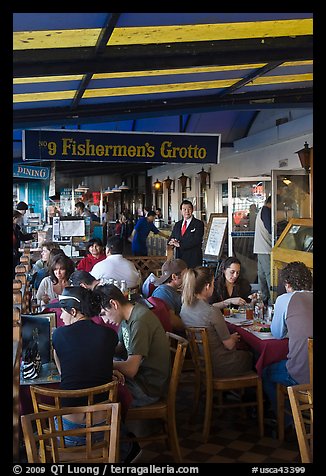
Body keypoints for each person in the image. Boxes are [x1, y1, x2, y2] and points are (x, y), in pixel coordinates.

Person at [49, 286, 137, 463]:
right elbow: (97, 361)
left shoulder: (58, 335)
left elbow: (63, 373)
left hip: (68, 435)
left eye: (63, 312)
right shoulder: (109, 335)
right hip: (104, 430)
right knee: (126, 434)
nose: (61, 316)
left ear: (73, 311)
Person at [94, 284, 171, 408]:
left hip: (148, 388)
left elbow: (131, 369)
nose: (105, 320)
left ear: (114, 304)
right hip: (141, 378)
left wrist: (103, 364)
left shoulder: (139, 321)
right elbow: (119, 347)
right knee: (100, 380)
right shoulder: (128, 315)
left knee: (100, 391)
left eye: (104, 313)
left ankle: (111, 425)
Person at [262, 261, 313, 428]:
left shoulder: (285, 299)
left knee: (265, 371)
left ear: (287, 283)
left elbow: (277, 333)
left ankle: (289, 421)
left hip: (301, 377)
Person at [180, 266, 253, 378]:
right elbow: (229, 345)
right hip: (221, 365)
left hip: (201, 362)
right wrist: (233, 337)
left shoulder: (185, 307)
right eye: (213, 284)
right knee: (254, 356)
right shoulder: (212, 312)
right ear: (207, 286)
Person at [151, 259, 187, 332]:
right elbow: (172, 320)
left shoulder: (171, 289)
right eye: (185, 275)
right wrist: (188, 326)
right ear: (174, 277)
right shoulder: (163, 292)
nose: (188, 278)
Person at [168, 199, 204, 268]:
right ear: (181, 211)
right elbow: (172, 236)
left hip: (193, 258)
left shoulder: (198, 224)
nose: (187, 211)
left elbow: (197, 240)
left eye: (189, 209)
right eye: (184, 209)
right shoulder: (177, 224)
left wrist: (180, 244)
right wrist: (172, 241)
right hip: (179, 258)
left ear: (192, 210)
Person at [253, 196, 272, 306]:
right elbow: (270, 228)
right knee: (269, 275)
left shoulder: (262, 211)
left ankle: (264, 300)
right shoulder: (266, 210)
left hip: (260, 248)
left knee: (262, 275)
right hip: (266, 249)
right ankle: (272, 302)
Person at [13, 209, 37, 275]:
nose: (20, 220)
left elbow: (22, 237)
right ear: (14, 218)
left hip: (16, 253)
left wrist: (32, 235)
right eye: (19, 218)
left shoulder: (16, 228)